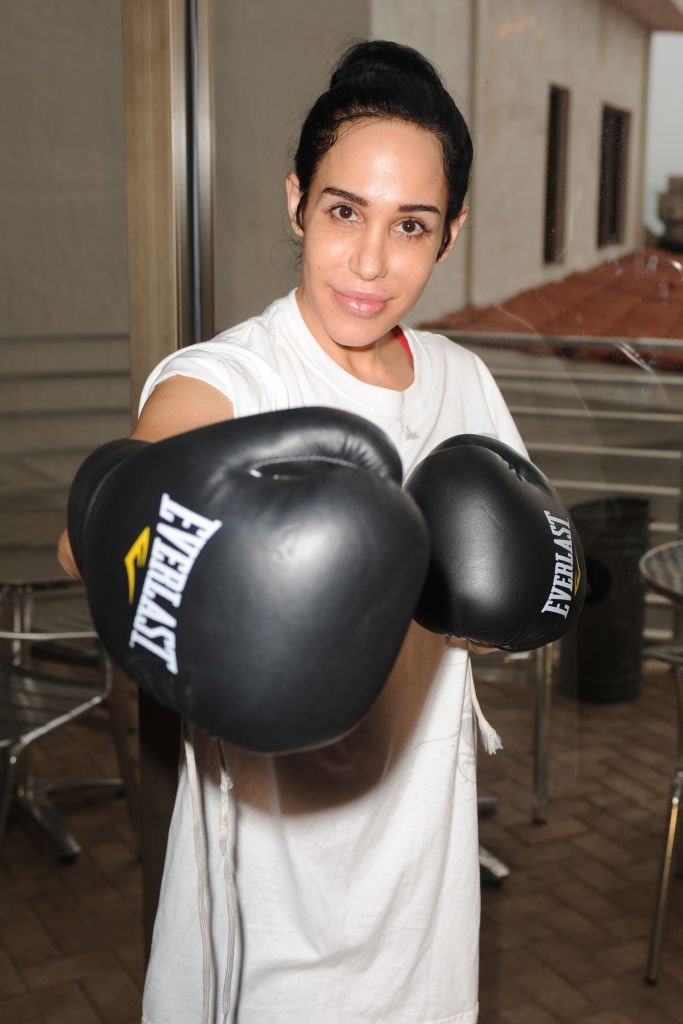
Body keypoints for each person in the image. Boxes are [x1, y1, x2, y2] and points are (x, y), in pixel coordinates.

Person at [59, 39, 525, 1024]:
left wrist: (497, 599)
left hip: (420, 874)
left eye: (410, 225)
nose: (368, 260)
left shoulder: (464, 384)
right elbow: (116, 514)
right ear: (294, 202)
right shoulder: (236, 375)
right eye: (342, 210)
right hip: (265, 901)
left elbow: (491, 613)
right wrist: (133, 522)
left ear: (449, 236)